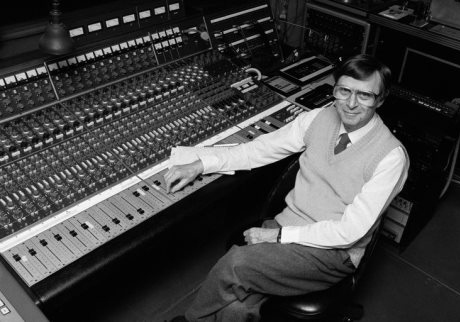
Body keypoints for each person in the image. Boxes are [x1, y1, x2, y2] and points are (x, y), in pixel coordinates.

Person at [165, 54, 409, 322]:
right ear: (334, 90)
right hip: (287, 226)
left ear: (381, 99)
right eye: (344, 91)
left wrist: (278, 236)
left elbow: (349, 233)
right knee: (236, 308)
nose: (351, 104)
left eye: (364, 95)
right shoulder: (317, 118)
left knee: (236, 265)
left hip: (332, 252)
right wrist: (202, 163)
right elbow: (259, 149)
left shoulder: (391, 156)